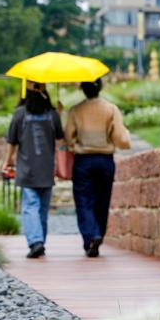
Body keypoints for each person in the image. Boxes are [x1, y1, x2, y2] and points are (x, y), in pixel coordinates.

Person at [64, 77, 130, 258]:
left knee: (83, 200)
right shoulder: (111, 109)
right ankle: (98, 233)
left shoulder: (76, 110)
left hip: (83, 161)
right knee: (102, 200)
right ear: (100, 87)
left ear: (82, 89)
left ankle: (91, 235)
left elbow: (68, 137)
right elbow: (119, 136)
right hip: (105, 160)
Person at [3, 81, 63, 259]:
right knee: (42, 209)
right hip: (47, 169)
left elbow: (11, 141)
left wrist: (7, 161)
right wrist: (59, 114)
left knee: (30, 206)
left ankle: (36, 242)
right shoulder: (52, 114)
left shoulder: (19, 114)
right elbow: (60, 138)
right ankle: (40, 242)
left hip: (27, 169)